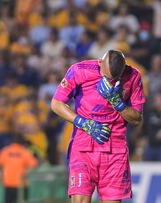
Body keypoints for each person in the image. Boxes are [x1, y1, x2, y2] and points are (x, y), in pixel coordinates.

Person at [51, 50, 145, 203]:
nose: (111, 82)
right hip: (83, 148)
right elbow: (56, 104)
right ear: (100, 63)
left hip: (115, 151)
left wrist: (118, 103)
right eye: (107, 77)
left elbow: (137, 119)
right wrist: (84, 123)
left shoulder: (134, 76)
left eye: (115, 78)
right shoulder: (79, 70)